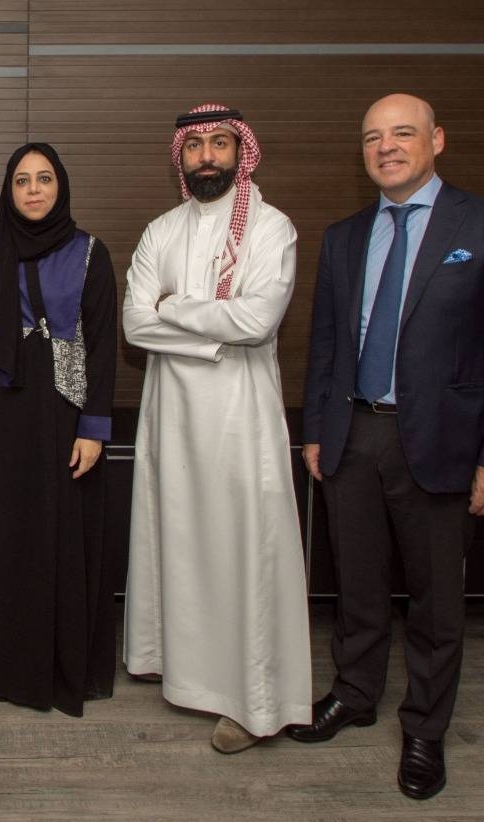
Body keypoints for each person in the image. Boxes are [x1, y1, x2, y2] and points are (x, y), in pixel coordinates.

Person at [292, 93, 484, 800]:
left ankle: (426, 730)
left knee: (436, 601)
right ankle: (355, 693)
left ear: (438, 140)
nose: (387, 147)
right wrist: (317, 429)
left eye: (402, 133)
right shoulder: (344, 236)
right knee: (359, 585)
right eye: (373, 137)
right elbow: (328, 347)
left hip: (444, 443)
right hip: (353, 434)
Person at [122, 103, 312, 754]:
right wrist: (210, 330)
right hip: (172, 414)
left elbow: (258, 321)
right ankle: (186, 671)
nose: (207, 155)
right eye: (196, 144)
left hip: (241, 415)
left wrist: (175, 309)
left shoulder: (272, 229)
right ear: (181, 154)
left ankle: (254, 700)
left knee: (244, 545)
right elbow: (134, 325)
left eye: (221, 143)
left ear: (242, 151)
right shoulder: (161, 230)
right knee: (181, 536)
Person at [0, 143, 118, 716]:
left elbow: (105, 345)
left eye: (45, 179)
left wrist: (95, 427)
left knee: (61, 536)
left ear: (61, 188)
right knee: (6, 538)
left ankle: (61, 669)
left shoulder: (89, 253)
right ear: (9, 190)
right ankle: (6, 666)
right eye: (22, 181)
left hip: (65, 412)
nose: (33, 190)